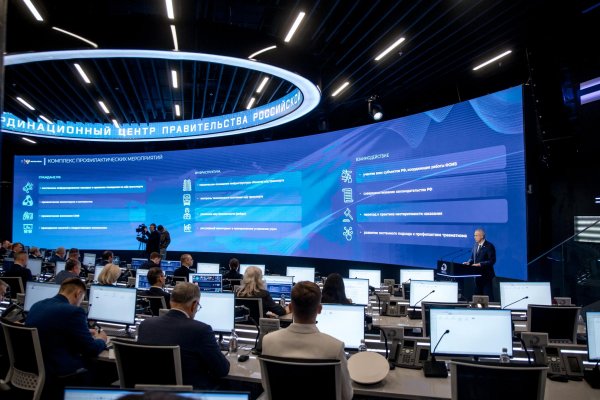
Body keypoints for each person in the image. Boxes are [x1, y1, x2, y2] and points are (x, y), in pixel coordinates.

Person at [261, 281, 353, 400]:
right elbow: (346, 396)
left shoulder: (268, 341)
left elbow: (267, 387)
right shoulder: (335, 347)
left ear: (291, 307)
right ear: (319, 309)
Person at [136, 282, 230, 389]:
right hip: (189, 394)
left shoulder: (145, 325)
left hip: (150, 393)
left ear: (170, 301)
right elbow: (222, 370)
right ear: (194, 305)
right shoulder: (201, 330)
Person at [25, 278, 107, 393]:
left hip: (32, 368)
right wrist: (101, 340)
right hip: (57, 372)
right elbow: (91, 349)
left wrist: (83, 331)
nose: (80, 303)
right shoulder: (74, 311)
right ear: (78, 293)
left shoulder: (36, 305)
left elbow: (53, 328)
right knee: (104, 369)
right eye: (82, 299)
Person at [464, 228, 496, 301]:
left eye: (476, 235)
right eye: (474, 235)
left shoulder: (489, 246)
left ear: (482, 236)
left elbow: (492, 261)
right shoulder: (475, 245)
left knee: (488, 297)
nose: (474, 237)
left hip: (486, 276)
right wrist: (468, 262)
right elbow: (472, 258)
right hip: (477, 276)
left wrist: (480, 264)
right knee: (477, 297)